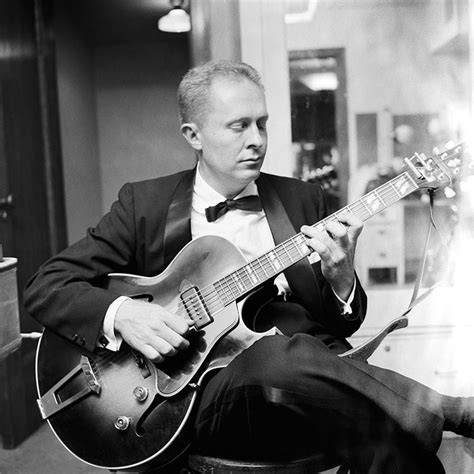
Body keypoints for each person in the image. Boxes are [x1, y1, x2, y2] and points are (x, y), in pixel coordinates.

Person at [24, 60, 473, 473]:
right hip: (203, 398)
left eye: (262, 124)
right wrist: (125, 314)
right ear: (193, 135)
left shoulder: (303, 199)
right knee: (273, 352)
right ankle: (448, 409)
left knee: (390, 439)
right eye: (239, 126)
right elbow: (46, 286)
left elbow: (342, 323)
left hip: (306, 384)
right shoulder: (145, 204)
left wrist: (339, 278)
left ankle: (415, 419)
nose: (256, 140)